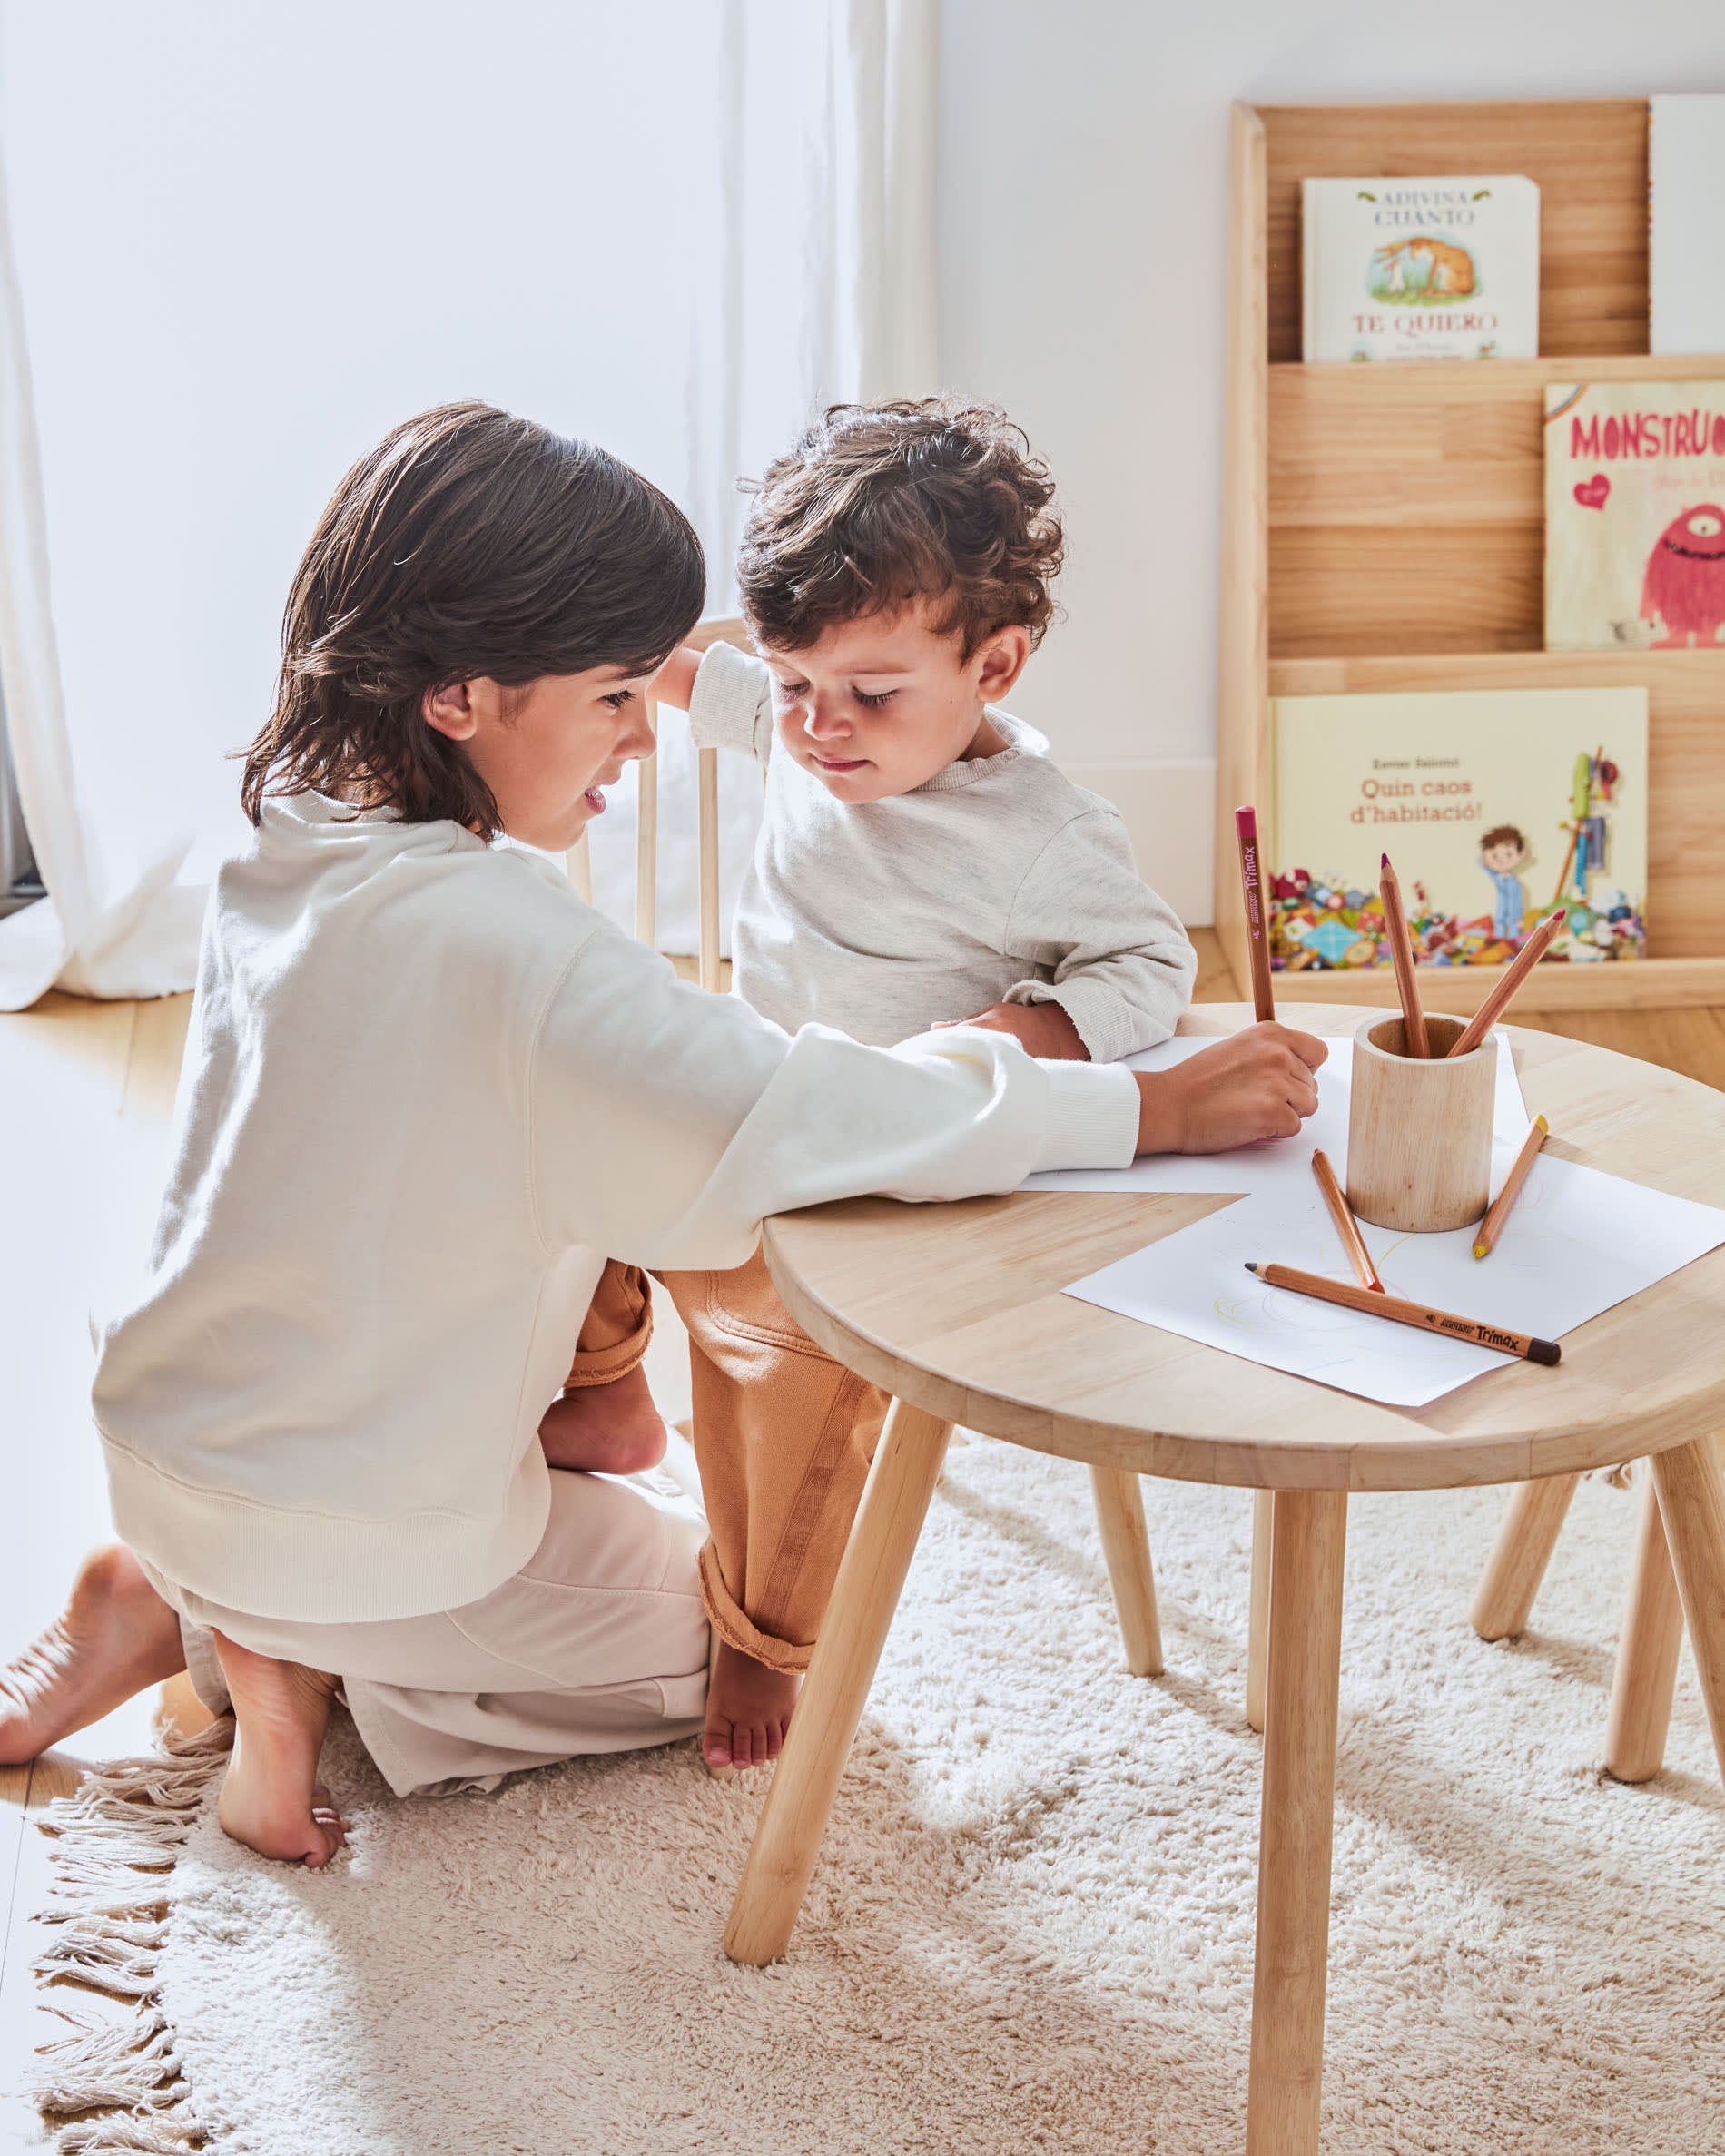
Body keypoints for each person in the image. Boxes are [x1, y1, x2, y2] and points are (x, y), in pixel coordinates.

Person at [0, 402, 1326, 1866]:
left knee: (561, 1209)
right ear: (465, 697)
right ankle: (233, 1634)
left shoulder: (302, 825)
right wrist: (1147, 1107)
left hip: (170, 1427)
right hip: (335, 1523)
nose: (649, 735)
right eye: (619, 694)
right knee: (749, 1644)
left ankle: (203, 1582)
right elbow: (824, 1112)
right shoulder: (529, 967)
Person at [556, 397, 1202, 1775]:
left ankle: (763, 1629)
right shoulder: (807, 715)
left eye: (868, 694)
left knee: (791, 1377)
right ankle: (605, 1384)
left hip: (900, 1164)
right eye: (793, 684)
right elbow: (693, 679)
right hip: (763, 1098)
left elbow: (1155, 962)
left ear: (996, 664)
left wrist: (1037, 1026)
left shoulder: (1040, 835)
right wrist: (584, 654)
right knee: (570, 1148)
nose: (817, 729)